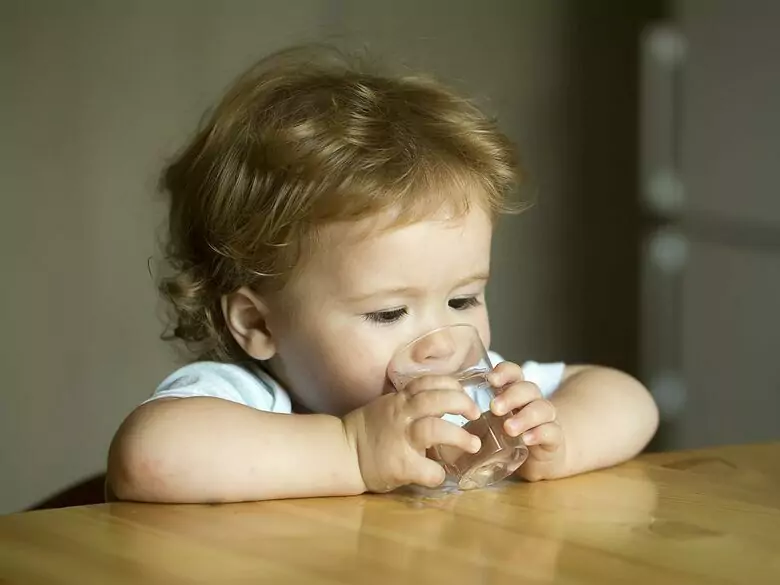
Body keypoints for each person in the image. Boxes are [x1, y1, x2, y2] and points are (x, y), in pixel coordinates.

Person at [107, 46, 659, 503]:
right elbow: (149, 457)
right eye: (389, 312)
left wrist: (559, 439)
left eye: (464, 300)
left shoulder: (478, 397)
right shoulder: (246, 400)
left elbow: (629, 398)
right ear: (259, 323)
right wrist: (351, 450)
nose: (440, 343)